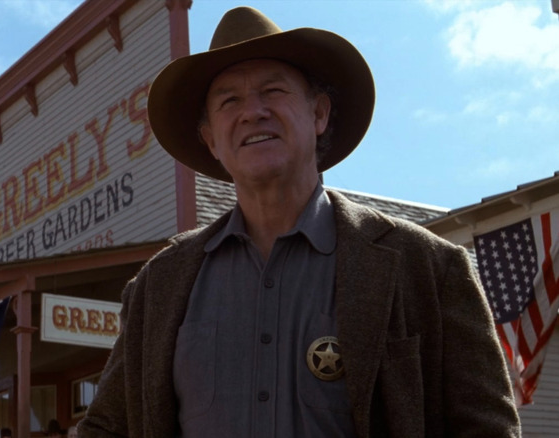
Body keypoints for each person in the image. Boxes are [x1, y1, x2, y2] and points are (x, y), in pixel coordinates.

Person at [78, 6, 521, 437]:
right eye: (229, 100)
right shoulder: (158, 287)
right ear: (211, 139)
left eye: (273, 91)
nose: (252, 111)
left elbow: (487, 429)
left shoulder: (428, 269)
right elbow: (106, 427)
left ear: (319, 114)